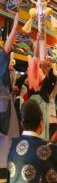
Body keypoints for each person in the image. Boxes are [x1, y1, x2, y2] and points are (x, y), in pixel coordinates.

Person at [23, 33, 57, 140]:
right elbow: (35, 56)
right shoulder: (35, 70)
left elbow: (51, 87)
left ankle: (43, 151)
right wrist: (37, 41)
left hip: (44, 103)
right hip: (36, 102)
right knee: (36, 130)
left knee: (44, 130)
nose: (47, 61)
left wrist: (47, 70)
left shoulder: (46, 74)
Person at [0, 13, 19, 167]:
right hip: (2, 107)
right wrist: (14, 27)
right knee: (4, 139)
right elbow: (7, 47)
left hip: (7, 105)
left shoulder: (6, 71)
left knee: (8, 139)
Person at [14, 71, 28, 135]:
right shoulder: (19, 85)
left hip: (25, 106)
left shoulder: (29, 86)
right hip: (18, 105)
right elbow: (19, 81)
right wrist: (25, 74)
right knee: (18, 123)